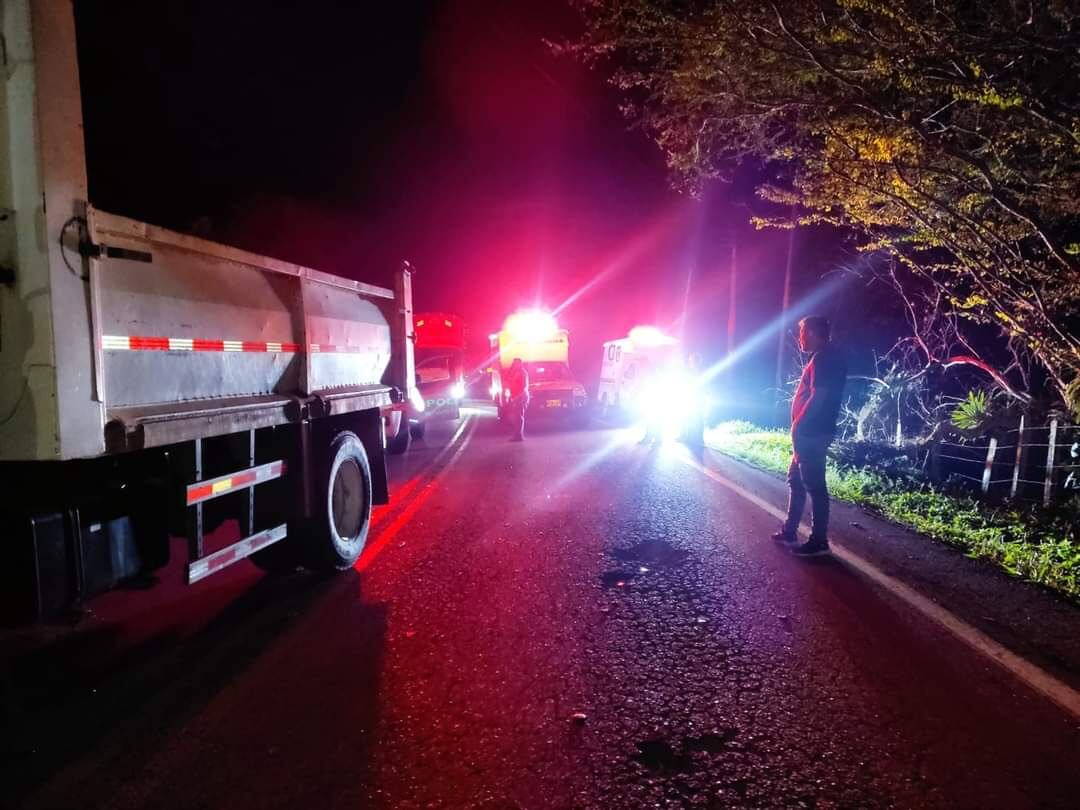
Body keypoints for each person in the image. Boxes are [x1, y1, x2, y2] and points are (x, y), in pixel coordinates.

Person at [772, 316, 846, 556]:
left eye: (802, 333)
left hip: (812, 433)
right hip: (811, 432)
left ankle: (819, 541)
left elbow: (819, 396)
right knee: (796, 479)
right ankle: (790, 530)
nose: (800, 338)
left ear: (813, 332)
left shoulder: (825, 358)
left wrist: (800, 425)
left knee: (814, 486)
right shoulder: (826, 356)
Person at [504, 358, 530, 441]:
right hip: (515, 397)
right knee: (515, 417)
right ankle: (517, 434)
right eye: (514, 364)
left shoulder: (523, 373)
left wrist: (518, 397)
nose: (515, 365)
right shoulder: (516, 372)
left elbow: (524, 386)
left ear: (520, 364)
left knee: (518, 417)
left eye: (517, 363)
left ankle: (519, 435)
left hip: (520, 397)